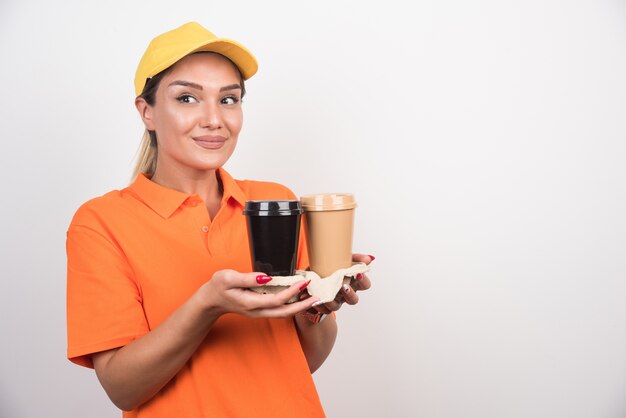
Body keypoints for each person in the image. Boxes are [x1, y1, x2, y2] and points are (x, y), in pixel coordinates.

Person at [66, 22, 373, 417]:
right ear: (147, 112)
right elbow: (123, 388)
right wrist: (207, 305)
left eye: (229, 100)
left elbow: (303, 361)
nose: (214, 119)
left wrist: (317, 306)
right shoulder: (102, 223)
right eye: (188, 98)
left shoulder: (274, 201)